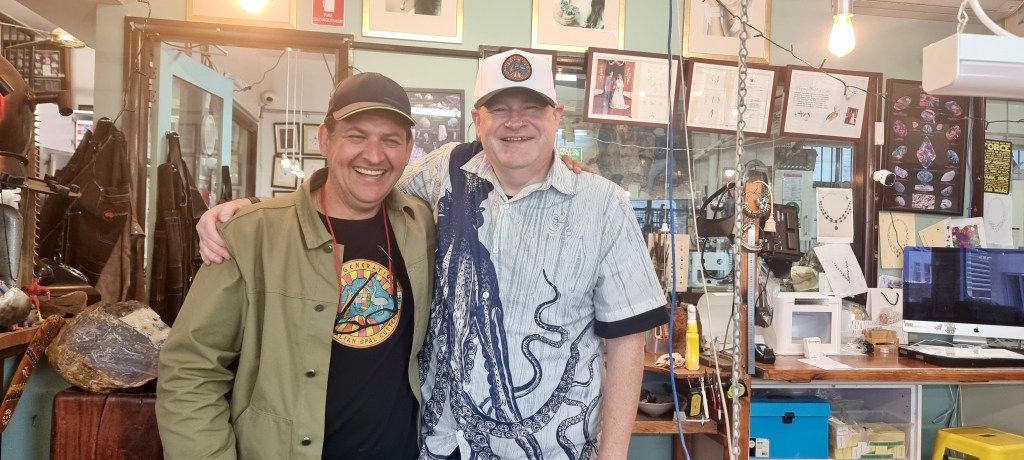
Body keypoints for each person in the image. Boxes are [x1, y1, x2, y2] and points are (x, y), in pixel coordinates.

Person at [197, 49, 666, 459]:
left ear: (556, 116)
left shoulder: (603, 204)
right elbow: (357, 186)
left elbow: (628, 341)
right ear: (478, 119)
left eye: (532, 108)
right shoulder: (446, 170)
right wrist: (253, 210)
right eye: (499, 108)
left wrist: (613, 454)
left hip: (551, 450)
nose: (515, 122)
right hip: (440, 444)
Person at [156, 72, 436, 459]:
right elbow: (191, 369)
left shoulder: (421, 225)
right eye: (356, 136)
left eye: (390, 140)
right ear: (325, 139)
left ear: (408, 149)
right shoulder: (251, 236)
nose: (374, 155)